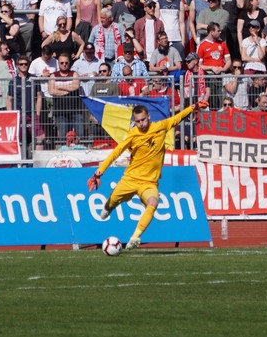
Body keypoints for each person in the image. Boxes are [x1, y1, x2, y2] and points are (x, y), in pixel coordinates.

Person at [87, 100, 206, 250]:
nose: (141, 123)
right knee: (109, 205)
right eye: (137, 121)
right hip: (130, 179)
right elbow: (116, 153)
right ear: (134, 122)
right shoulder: (132, 135)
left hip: (149, 183)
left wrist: (193, 107)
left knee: (153, 202)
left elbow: (177, 118)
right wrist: (99, 173)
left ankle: (135, 236)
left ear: (148, 116)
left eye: (143, 120)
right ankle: (108, 207)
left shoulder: (160, 127)